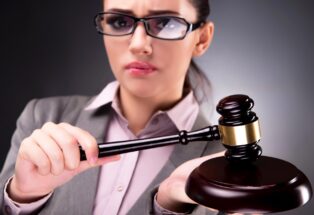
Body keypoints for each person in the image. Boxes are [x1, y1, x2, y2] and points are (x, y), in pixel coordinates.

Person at [0, 0, 228, 214]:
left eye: (166, 23)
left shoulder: (226, 167)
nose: (139, 45)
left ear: (202, 39)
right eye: (120, 22)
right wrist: (22, 196)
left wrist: (169, 207)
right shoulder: (42, 117)